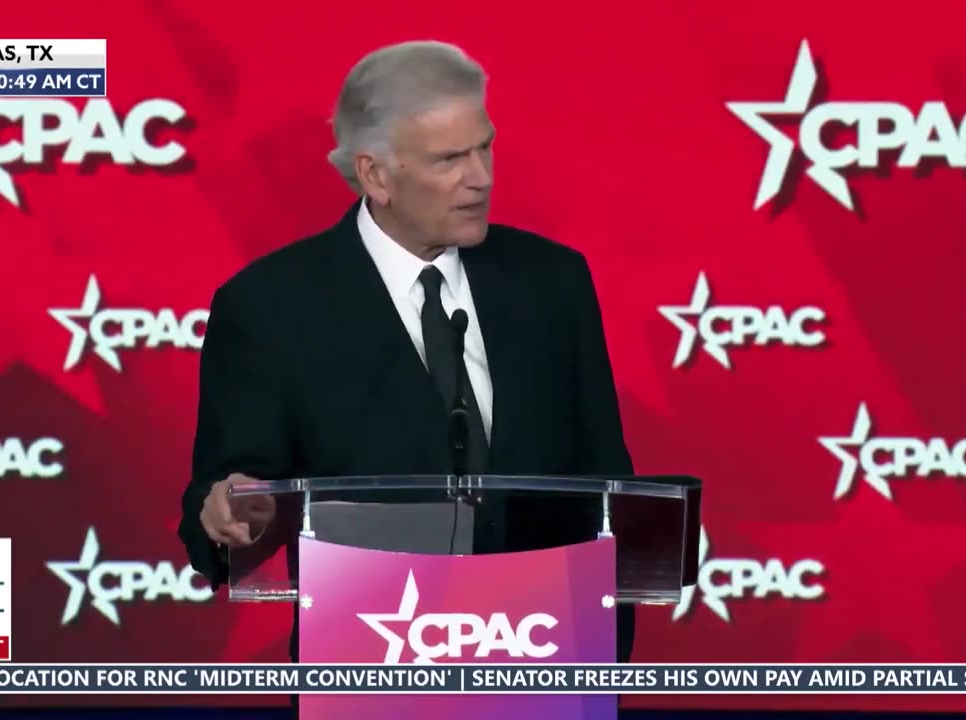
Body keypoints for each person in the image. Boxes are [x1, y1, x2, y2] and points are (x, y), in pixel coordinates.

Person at [178, 40, 635, 667]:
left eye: (484, 148)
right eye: (450, 159)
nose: (481, 177)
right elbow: (225, 501)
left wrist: (601, 650)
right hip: (370, 664)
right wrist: (230, 511)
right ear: (376, 175)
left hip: (545, 656)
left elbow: (608, 483)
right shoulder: (270, 306)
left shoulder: (552, 282)